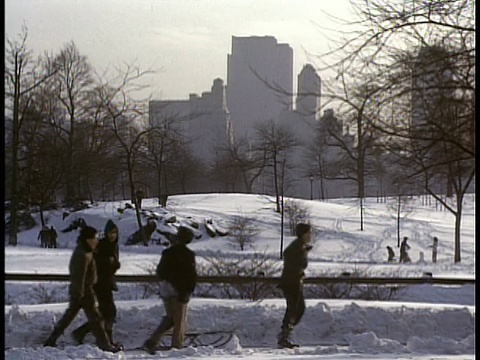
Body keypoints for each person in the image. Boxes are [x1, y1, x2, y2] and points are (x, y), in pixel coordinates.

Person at [43, 226, 122, 353]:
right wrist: (79, 293)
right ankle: (105, 345)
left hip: (82, 290)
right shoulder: (82, 254)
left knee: (69, 318)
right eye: (94, 238)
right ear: (88, 239)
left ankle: (51, 340)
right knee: (95, 319)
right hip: (84, 290)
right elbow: (78, 276)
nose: (97, 240)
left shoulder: (87, 251)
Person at [142, 226, 197, 355]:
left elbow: (160, 271)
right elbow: (191, 276)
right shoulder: (188, 255)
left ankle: (153, 341)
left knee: (170, 318)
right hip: (180, 290)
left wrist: (169, 279)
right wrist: (187, 290)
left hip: (166, 288)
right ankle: (176, 348)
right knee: (179, 321)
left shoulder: (167, 253)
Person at [72, 220, 122, 348]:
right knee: (109, 312)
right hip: (99, 283)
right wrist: (110, 263)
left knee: (104, 313)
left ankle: (83, 333)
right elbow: (96, 263)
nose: (112, 235)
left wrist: (114, 264)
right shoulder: (102, 245)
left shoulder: (114, 245)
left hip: (107, 282)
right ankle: (106, 340)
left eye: (114, 233)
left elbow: (112, 264)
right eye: (109, 233)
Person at [277, 222, 313, 349]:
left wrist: (304, 251)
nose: (310, 235)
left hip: (292, 282)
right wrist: (301, 257)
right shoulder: (297, 247)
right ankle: (284, 336)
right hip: (291, 282)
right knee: (295, 309)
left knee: (296, 309)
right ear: (303, 234)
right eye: (308, 233)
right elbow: (290, 257)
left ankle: (285, 335)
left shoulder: (299, 246)